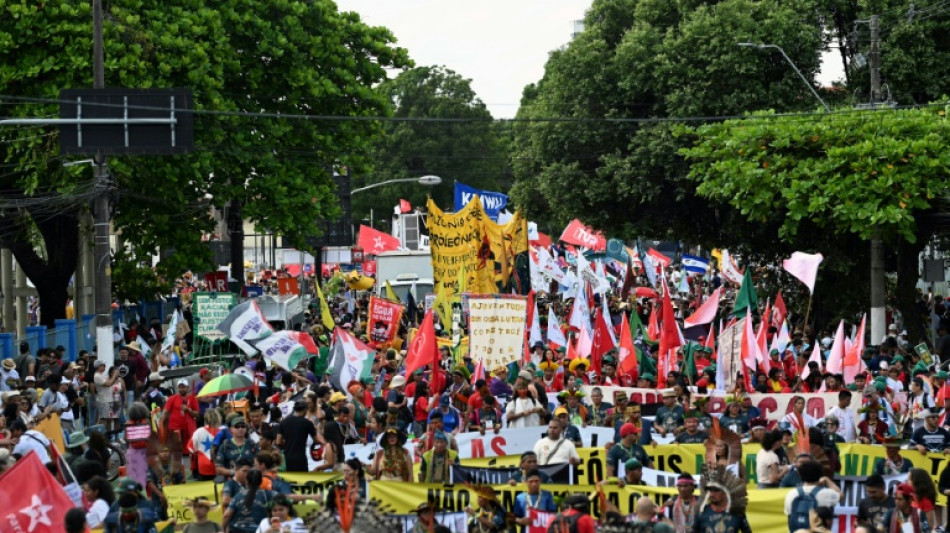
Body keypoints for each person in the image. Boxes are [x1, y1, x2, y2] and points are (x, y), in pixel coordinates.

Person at [784, 460, 842, 531]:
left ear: (800, 475)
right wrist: (827, 480)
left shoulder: (791, 494)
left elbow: (789, 515)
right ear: (820, 474)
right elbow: (841, 495)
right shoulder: (827, 493)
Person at [276, 400, 316, 472]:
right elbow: (317, 439)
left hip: (287, 458)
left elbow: (278, 442)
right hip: (301, 459)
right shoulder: (307, 423)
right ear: (305, 410)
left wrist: (288, 443)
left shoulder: (283, 422)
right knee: (302, 480)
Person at [909, 468, 938, 533]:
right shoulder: (911, 498)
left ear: (917, 482)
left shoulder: (925, 501)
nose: (906, 481)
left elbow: (930, 525)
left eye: (909, 479)